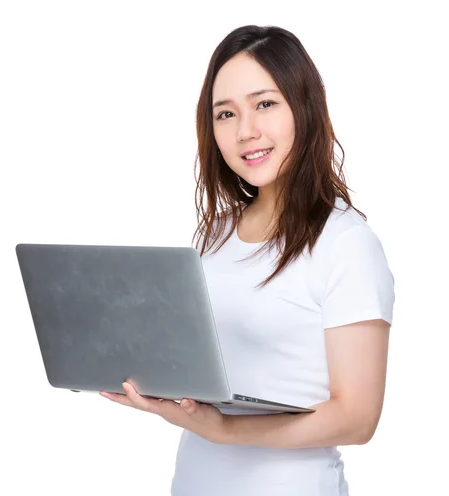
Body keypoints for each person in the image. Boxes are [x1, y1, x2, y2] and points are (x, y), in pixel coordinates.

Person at [100, 24, 395, 496]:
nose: (245, 131)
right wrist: (150, 379)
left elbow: (357, 418)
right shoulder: (214, 234)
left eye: (264, 104)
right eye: (225, 113)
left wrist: (226, 430)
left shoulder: (345, 243)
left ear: (305, 106)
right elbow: (203, 374)